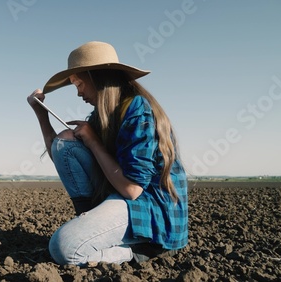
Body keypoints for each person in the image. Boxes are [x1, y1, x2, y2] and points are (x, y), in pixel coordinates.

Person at [27, 41, 188, 266]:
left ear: (98, 78)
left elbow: (132, 190)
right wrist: (41, 113)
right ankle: (93, 230)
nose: (78, 92)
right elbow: (60, 156)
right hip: (124, 197)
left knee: (63, 248)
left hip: (151, 211)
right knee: (65, 142)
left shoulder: (138, 111)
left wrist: (93, 142)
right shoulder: (103, 115)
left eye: (79, 84)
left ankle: (138, 251)